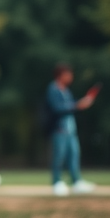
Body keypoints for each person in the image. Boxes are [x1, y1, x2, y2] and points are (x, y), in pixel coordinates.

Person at [46, 63, 98, 196]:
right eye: (68, 75)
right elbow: (57, 108)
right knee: (59, 157)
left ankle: (76, 182)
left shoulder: (66, 90)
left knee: (74, 155)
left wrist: (79, 104)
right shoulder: (53, 89)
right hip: (59, 129)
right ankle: (56, 182)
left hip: (70, 129)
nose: (71, 77)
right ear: (61, 75)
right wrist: (76, 105)